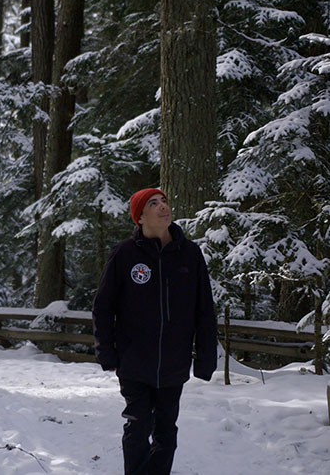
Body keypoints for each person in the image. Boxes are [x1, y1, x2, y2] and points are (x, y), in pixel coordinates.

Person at [92, 188, 218, 475]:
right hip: (134, 360)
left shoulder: (190, 254)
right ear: (140, 217)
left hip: (174, 361)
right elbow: (103, 306)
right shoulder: (124, 254)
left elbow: (204, 311)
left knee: (165, 432)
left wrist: (205, 358)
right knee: (137, 425)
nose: (163, 207)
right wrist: (107, 352)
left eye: (164, 201)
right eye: (153, 204)